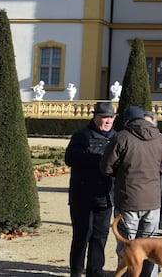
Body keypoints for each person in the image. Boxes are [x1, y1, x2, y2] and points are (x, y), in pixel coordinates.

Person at [99, 106, 162, 277]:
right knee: (151, 247)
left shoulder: (121, 137)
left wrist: (121, 173)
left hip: (128, 200)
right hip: (153, 201)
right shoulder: (159, 139)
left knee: (128, 247)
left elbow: (106, 167)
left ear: (127, 121)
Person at [65, 102, 116, 277]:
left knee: (100, 236)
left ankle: (95, 271)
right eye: (104, 117)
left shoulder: (116, 137)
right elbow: (70, 158)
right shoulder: (81, 136)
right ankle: (76, 271)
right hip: (83, 196)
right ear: (95, 117)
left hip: (106, 196)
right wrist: (98, 160)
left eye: (110, 117)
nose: (108, 121)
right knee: (82, 236)